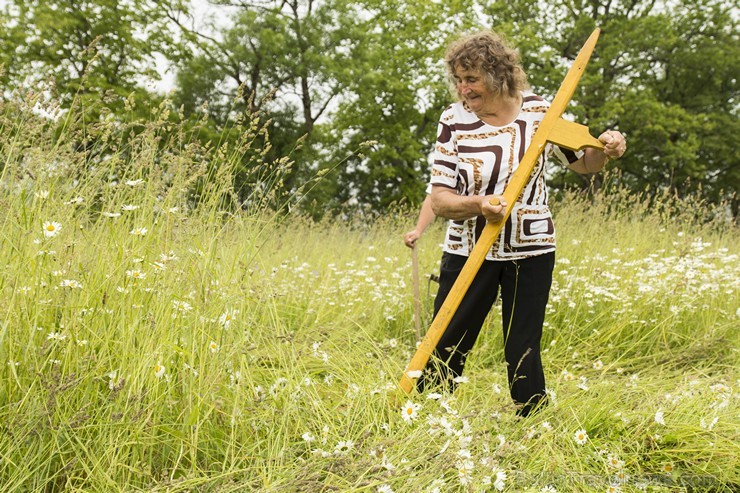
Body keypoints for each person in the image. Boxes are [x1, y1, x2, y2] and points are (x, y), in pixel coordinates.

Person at [417, 30, 626, 417]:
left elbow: (583, 164)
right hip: (468, 249)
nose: (463, 89)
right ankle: (427, 417)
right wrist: (480, 205)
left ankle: (533, 420)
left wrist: (606, 147)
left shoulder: (538, 111)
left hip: (531, 249)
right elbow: (441, 199)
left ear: (499, 75)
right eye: (459, 79)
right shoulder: (454, 120)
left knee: (522, 343)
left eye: (472, 79)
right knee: (448, 339)